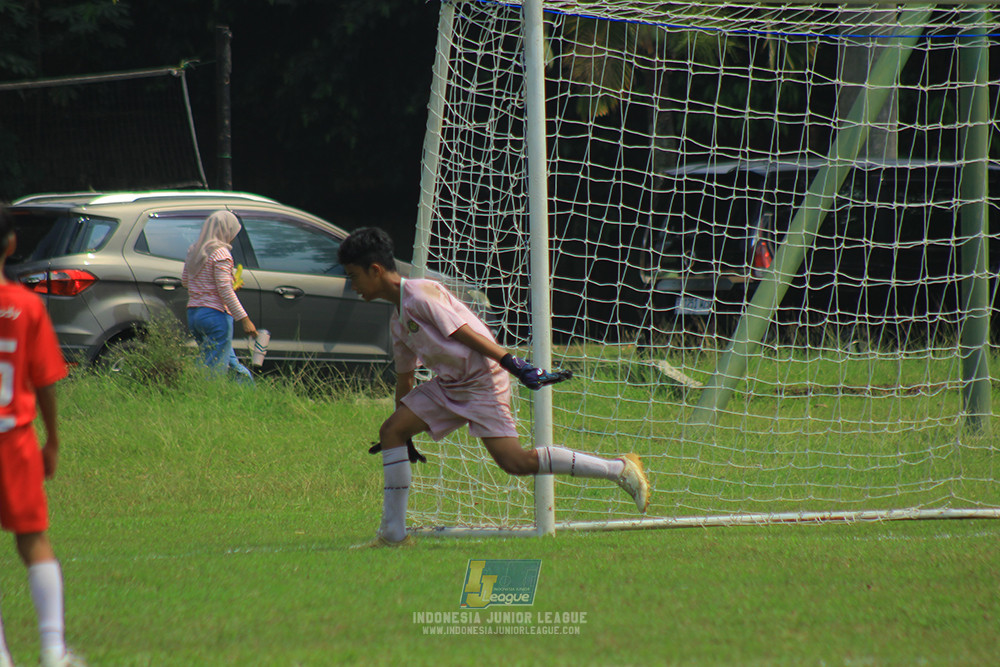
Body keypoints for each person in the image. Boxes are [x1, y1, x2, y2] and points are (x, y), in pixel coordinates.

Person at [339, 227, 650, 548]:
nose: (353, 286)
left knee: (515, 462)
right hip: (450, 386)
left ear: (375, 270)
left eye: (354, 276)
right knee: (390, 431)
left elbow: (463, 331)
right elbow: (404, 379)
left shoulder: (419, 295)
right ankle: (393, 536)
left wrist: (512, 362)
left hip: (483, 381)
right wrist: (403, 436)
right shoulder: (398, 320)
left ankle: (619, 469)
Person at [0, 206, 84, 667]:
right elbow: (45, 378)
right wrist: (51, 439)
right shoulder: (27, 305)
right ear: (12, 245)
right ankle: (53, 651)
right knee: (33, 539)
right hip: (12, 438)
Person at [181, 211, 257, 381]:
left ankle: (247, 392)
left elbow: (186, 281)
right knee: (211, 368)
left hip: (194, 314)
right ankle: (197, 392)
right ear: (226, 230)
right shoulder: (221, 253)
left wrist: (228, 284)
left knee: (228, 362)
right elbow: (224, 290)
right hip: (215, 315)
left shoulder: (194, 250)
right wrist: (245, 319)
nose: (233, 237)